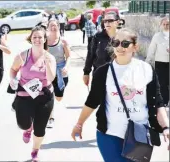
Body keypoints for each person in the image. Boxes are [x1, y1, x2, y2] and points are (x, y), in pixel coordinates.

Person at [72, 28, 170, 162]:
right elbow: (92, 102)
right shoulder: (103, 72)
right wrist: (79, 124)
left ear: (135, 47)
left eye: (125, 44)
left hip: (140, 135)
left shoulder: (146, 69)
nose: (120, 47)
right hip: (110, 135)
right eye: (116, 42)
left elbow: (158, 102)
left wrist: (166, 127)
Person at [9, 26, 56, 161]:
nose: (37, 39)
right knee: (22, 124)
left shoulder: (50, 57)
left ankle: (35, 151)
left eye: (40, 37)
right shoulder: (23, 56)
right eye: (34, 37)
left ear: (45, 39)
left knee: (40, 128)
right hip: (24, 96)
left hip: (44, 97)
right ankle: (28, 128)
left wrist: (47, 63)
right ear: (31, 39)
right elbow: (13, 69)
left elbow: (51, 78)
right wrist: (12, 79)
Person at [83, 11, 120, 86]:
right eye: (105, 21)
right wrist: (86, 73)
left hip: (118, 76)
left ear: (117, 22)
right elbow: (90, 54)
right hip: (99, 74)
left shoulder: (123, 37)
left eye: (110, 20)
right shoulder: (98, 36)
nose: (107, 23)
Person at [46, 19, 71, 128]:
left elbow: (69, 56)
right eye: (51, 25)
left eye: (55, 25)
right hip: (49, 72)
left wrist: (66, 67)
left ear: (58, 27)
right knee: (49, 95)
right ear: (48, 28)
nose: (53, 27)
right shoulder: (44, 41)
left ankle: (57, 95)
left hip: (61, 72)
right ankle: (50, 117)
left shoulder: (63, 41)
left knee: (58, 97)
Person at [146, 17, 169, 107]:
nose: (166, 26)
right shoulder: (157, 36)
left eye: (168, 24)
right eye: (164, 24)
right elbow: (152, 49)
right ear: (161, 25)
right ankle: (164, 102)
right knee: (162, 83)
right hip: (160, 62)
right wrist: (148, 61)